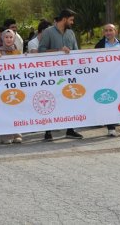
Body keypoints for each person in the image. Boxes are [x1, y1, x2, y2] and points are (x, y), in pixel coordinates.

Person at [38, 9, 83, 140]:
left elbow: (76, 52)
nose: (72, 22)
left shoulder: (71, 33)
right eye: (71, 20)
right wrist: (58, 50)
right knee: (51, 101)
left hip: (68, 74)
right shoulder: (48, 32)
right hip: (52, 75)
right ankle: (48, 131)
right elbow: (41, 51)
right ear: (64, 19)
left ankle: (70, 129)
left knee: (70, 100)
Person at [0, 29, 23, 144]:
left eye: (11, 37)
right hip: (2, 86)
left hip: (16, 85)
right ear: (2, 38)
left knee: (17, 109)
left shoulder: (18, 52)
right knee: (4, 110)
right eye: (6, 37)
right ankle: (6, 135)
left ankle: (17, 133)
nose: (9, 39)